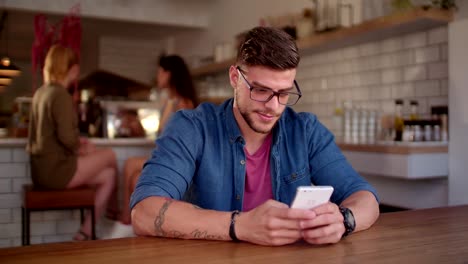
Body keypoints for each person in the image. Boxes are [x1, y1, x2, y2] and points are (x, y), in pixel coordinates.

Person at [130, 27, 379, 246]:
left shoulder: (305, 131)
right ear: (235, 78)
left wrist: (345, 220)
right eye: (261, 90)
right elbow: (144, 212)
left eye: (283, 93)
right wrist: (240, 226)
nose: (273, 106)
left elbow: (365, 197)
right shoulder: (192, 128)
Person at [27, 44, 119, 241]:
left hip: (40, 171)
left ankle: (84, 233)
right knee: (110, 155)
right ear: (74, 69)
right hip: (56, 172)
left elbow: (51, 135)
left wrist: (79, 145)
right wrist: (82, 148)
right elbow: (67, 139)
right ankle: (117, 215)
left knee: (109, 175)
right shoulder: (60, 95)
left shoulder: (41, 93)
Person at [120, 55, 198, 225]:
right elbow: (161, 135)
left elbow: (182, 141)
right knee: (133, 172)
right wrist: (137, 127)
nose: (157, 77)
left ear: (169, 74)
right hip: (165, 156)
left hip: (175, 161)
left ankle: (126, 218)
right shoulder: (169, 102)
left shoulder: (183, 103)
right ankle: (129, 217)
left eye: (160, 72)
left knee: (130, 166)